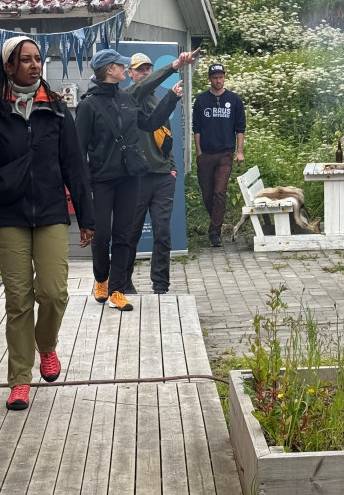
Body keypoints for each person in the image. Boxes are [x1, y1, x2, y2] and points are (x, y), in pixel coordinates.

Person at [0, 37, 95, 411]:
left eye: (38, 59)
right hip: (8, 215)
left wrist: (86, 217)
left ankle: (46, 346)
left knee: (53, 292)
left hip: (51, 212)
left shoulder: (56, 110)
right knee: (18, 301)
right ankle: (20, 379)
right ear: (9, 67)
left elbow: (75, 167)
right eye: (26, 60)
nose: (35, 65)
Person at [75, 48, 178, 311]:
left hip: (130, 177)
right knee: (102, 235)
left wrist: (171, 98)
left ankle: (116, 289)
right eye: (121, 66)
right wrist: (84, 186)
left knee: (123, 234)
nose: (125, 68)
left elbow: (151, 122)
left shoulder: (126, 99)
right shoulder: (88, 105)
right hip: (101, 179)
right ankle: (101, 278)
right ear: (110, 70)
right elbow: (78, 149)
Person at [124, 48, 199, 293]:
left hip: (163, 177)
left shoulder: (158, 100)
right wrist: (176, 65)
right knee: (131, 233)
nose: (145, 73)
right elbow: (148, 119)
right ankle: (124, 282)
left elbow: (165, 138)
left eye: (148, 69)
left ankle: (160, 285)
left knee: (163, 233)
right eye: (140, 70)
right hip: (136, 178)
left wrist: (173, 169)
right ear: (130, 75)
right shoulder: (127, 97)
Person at [192, 62, 246, 248]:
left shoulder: (234, 100)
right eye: (215, 77)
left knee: (219, 192)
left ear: (224, 77)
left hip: (225, 153)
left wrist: (239, 152)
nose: (218, 80)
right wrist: (198, 152)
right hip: (206, 153)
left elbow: (240, 128)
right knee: (207, 194)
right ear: (209, 79)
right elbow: (196, 129)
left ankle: (214, 232)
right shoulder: (201, 101)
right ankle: (217, 221)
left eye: (221, 77)